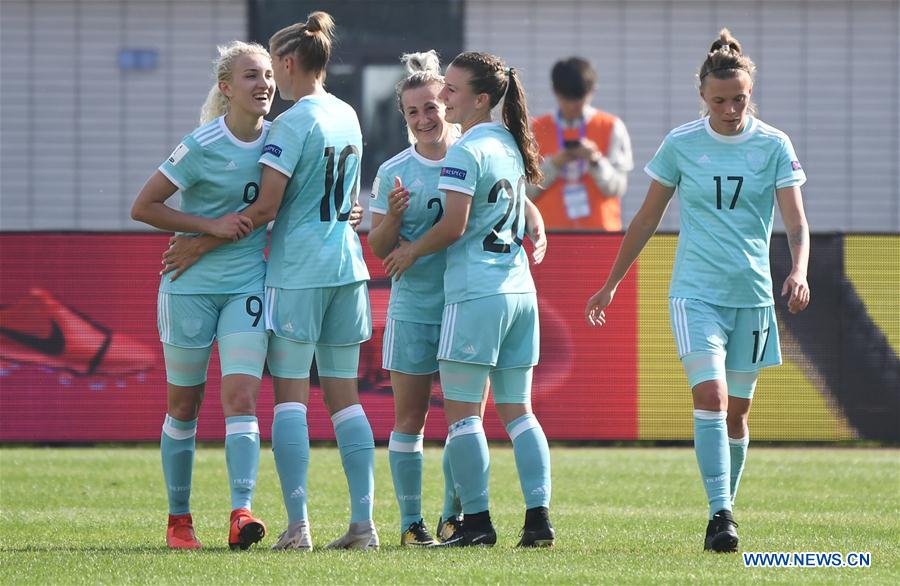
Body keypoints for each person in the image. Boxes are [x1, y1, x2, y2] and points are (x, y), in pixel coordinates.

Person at [584, 29, 811, 553]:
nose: (731, 109)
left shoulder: (774, 144)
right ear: (703, 99)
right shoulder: (681, 144)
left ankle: (722, 516)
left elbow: (796, 224)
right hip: (695, 294)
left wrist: (798, 271)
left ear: (750, 95)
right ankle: (721, 514)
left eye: (740, 99)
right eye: (720, 101)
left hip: (752, 297)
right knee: (711, 396)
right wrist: (611, 283)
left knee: (737, 413)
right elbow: (644, 218)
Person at [162, 12, 376, 551]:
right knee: (347, 399)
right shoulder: (348, 113)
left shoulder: (290, 123)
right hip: (348, 268)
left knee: (290, 401)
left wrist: (201, 240)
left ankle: (299, 527)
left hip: (298, 271)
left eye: (268, 71)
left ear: (285, 64)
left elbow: (267, 207)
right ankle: (363, 525)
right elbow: (347, 198)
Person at [384, 51, 554, 548]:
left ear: (480, 99)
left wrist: (412, 249)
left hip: (475, 294)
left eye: (452, 90)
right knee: (519, 412)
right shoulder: (507, 141)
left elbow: (454, 224)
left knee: (463, 417)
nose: (444, 97)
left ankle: (476, 523)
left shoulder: (466, 151)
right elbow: (515, 206)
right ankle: (538, 520)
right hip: (520, 291)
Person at [131, 41, 274, 550]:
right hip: (187, 287)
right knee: (184, 406)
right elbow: (143, 206)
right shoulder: (201, 144)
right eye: (251, 76)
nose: (264, 85)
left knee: (241, 398)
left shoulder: (279, 143)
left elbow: (289, 204)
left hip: (245, 285)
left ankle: (241, 512)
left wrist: (347, 211)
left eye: (268, 75)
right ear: (226, 88)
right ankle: (179, 521)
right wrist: (203, 226)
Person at [528, 57, 633, 231]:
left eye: (580, 98)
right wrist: (554, 164)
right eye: (567, 98)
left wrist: (595, 160)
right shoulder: (536, 129)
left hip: (601, 235)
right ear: (555, 91)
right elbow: (524, 192)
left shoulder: (612, 127)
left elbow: (617, 188)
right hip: (547, 236)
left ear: (593, 90)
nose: (573, 105)